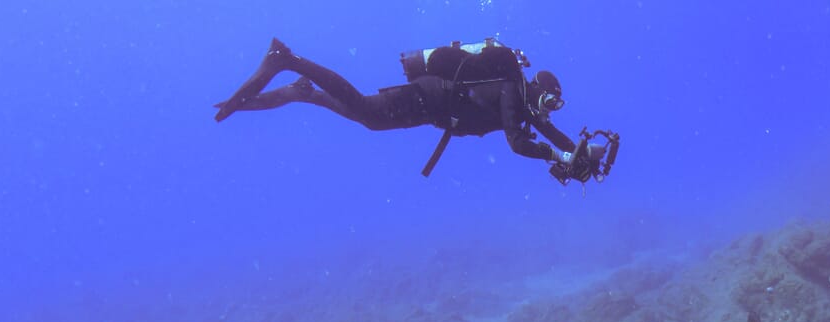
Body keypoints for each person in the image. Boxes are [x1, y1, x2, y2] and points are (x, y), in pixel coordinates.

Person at [213, 37, 606, 178]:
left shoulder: (523, 104)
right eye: (551, 103)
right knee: (364, 108)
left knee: (370, 122)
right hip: (427, 98)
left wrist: (580, 153)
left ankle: (305, 92)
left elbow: (547, 132)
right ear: (539, 90)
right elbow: (519, 144)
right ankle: (288, 59)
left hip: (429, 109)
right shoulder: (511, 90)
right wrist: (560, 155)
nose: (551, 112)